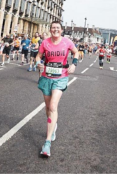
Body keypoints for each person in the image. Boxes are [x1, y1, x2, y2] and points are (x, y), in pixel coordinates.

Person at [36, 21, 79, 157]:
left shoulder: (67, 42)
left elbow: (76, 52)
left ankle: (47, 142)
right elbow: (39, 56)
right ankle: (53, 126)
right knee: (48, 107)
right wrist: (38, 63)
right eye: (53, 28)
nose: (55, 30)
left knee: (53, 106)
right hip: (46, 77)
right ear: (50, 30)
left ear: (61, 30)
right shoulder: (45, 43)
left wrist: (74, 64)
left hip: (61, 77)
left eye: (58, 28)